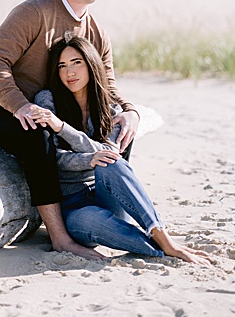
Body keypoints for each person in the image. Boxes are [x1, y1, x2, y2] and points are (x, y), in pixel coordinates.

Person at [0, 0, 140, 261]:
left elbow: (108, 86)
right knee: (38, 134)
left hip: (53, 112)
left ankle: (110, 216)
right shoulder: (34, 12)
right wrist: (20, 105)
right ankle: (60, 236)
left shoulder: (97, 32)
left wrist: (130, 111)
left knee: (120, 125)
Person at [31, 36, 210, 263]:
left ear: (90, 64)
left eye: (76, 62)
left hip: (108, 195)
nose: (69, 72)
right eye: (62, 66)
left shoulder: (111, 108)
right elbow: (52, 158)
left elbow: (108, 153)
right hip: (73, 208)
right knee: (89, 220)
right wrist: (89, 159)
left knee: (110, 161)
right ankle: (161, 249)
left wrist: (62, 128)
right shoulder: (47, 100)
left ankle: (164, 238)